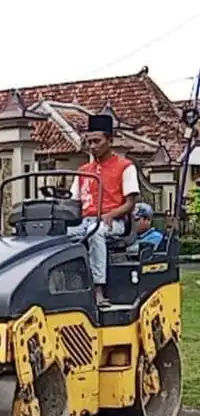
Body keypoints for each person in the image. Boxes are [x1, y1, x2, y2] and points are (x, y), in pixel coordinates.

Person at [71, 113, 138, 305]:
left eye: (97, 141)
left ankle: (98, 288)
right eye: (89, 142)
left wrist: (110, 215)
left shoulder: (125, 167)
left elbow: (130, 203)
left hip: (114, 222)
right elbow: (74, 201)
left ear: (110, 141)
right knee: (59, 236)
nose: (92, 146)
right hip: (85, 221)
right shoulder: (83, 170)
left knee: (95, 233)